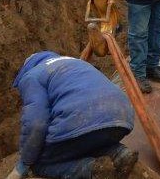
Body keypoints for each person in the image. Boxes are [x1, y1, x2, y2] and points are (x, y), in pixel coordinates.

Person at [8, 51, 137, 179]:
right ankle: (119, 154)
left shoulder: (31, 76)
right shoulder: (74, 62)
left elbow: (35, 124)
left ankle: (92, 170)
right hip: (122, 114)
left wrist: (24, 163)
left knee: (38, 162)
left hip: (83, 117)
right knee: (82, 142)